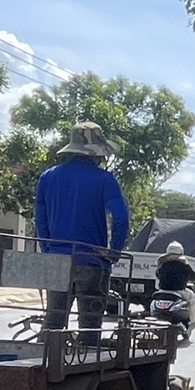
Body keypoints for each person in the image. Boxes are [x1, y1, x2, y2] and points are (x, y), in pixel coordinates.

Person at [34, 121, 128, 345]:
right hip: (92, 262)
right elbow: (121, 217)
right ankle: (85, 363)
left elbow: (40, 220)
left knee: (54, 320)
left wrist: (49, 249)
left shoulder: (48, 177)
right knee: (90, 326)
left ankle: (42, 361)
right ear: (96, 154)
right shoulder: (105, 179)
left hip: (57, 259)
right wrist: (114, 251)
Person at [155, 240, 195, 318]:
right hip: (179, 292)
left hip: (162, 291)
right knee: (193, 298)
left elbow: (157, 274)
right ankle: (191, 321)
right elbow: (192, 276)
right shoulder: (183, 265)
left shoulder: (163, 264)